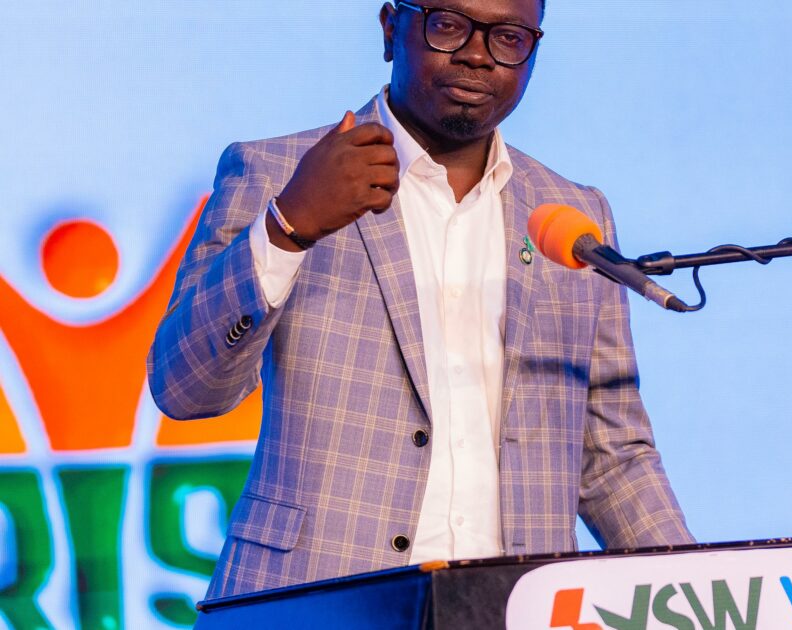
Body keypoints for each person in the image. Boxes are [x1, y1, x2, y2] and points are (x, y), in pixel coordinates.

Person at [148, 0, 692, 599]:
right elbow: (185, 389)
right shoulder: (277, 173)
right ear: (391, 27)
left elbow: (612, 457)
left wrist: (698, 592)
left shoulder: (571, 218)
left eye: (509, 37)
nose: (478, 56)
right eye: (449, 25)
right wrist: (287, 226)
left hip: (516, 604)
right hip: (318, 597)